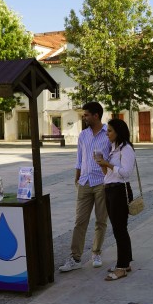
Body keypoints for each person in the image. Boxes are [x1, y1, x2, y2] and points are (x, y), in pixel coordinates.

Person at [59, 102, 111, 272]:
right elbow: (79, 159)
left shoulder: (108, 135)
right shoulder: (83, 135)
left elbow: (113, 159)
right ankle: (75, 258)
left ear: (96, 115)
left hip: (102, 182)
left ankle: (96, 253)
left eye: (87, 114)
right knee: (79, 221)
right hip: (85, 182)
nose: (84, 117)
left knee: (101, 220)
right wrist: (76, 178)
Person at [95, 118, 135, 281]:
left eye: (110, 130)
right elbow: (108, 175)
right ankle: (125, 263)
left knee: (120, 229)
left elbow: (126, 173)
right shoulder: (113, 148)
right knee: (119, 229)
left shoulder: (126, 149)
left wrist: (108, 164)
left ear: (118, 132)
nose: (107, 134)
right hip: (110, 189)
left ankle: (121, 268)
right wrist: (102, 165)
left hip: (119, 191)